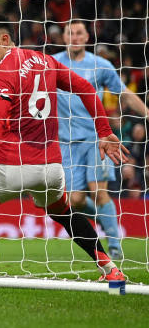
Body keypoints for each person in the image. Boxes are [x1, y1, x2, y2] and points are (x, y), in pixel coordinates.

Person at [0, 13, 128, 282]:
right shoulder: (46, 60)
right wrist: (105, 131)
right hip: (51, 169)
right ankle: (110, 269)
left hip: (12, 166)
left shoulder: (1, 72)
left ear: (5, 39)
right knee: (64, 213)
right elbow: (86, 88)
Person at [53, 20, 149, 259]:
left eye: (79, 33)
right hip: (66, 142)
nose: (75, 37)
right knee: (74, 200)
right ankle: (108, 222)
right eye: (70, 33)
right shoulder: (52, 64)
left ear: (87, 37)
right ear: (64, 37)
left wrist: (147, 113)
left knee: (98, 191)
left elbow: (124, 93)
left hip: (97, 139)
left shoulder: (100, 65)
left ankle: (114, 247)